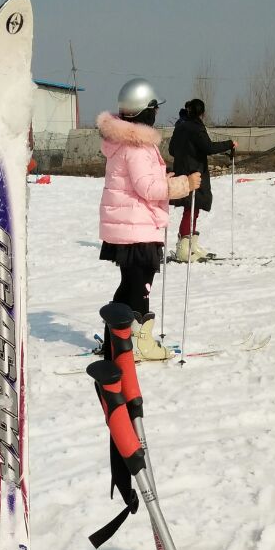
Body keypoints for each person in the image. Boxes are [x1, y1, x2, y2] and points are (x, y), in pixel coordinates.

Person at [97, 79, 200, 360]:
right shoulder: (138, 146)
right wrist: (184, 184)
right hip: (137, 230)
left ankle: (114, 341)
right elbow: (148, 189)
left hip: (128, 226)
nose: (156, 114)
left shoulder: (123, 142)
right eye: (154, 108)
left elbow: (140, 182)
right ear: (145, 111)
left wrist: (164, 179)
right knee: (140, 287)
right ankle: (139, 343)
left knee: (128, 285)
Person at [168, 99, 235, 262]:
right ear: (202, 113)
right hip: (194, 173)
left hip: (181, 173)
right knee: (191, 209)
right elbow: (208, 148)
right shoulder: (196, 127)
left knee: (192, 208)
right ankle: (183, 248)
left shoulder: (180, 125)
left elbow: (171, 149)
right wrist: (229, 144)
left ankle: (190, 245)